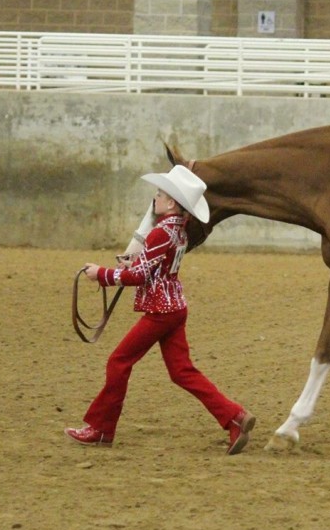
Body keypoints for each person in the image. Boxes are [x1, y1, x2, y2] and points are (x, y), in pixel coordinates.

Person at [65, 165, 255, 455]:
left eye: (159, 194)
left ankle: (102, 428)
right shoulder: (178, 231)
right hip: (174, 307)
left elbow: (138, 277)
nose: (155, 198)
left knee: (119, 361)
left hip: (160, 311)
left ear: (171, 203)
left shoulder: (159, 233)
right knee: (182, 371)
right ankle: (234, 417)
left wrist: (101, 274)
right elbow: (154, 268)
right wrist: (134, 265)